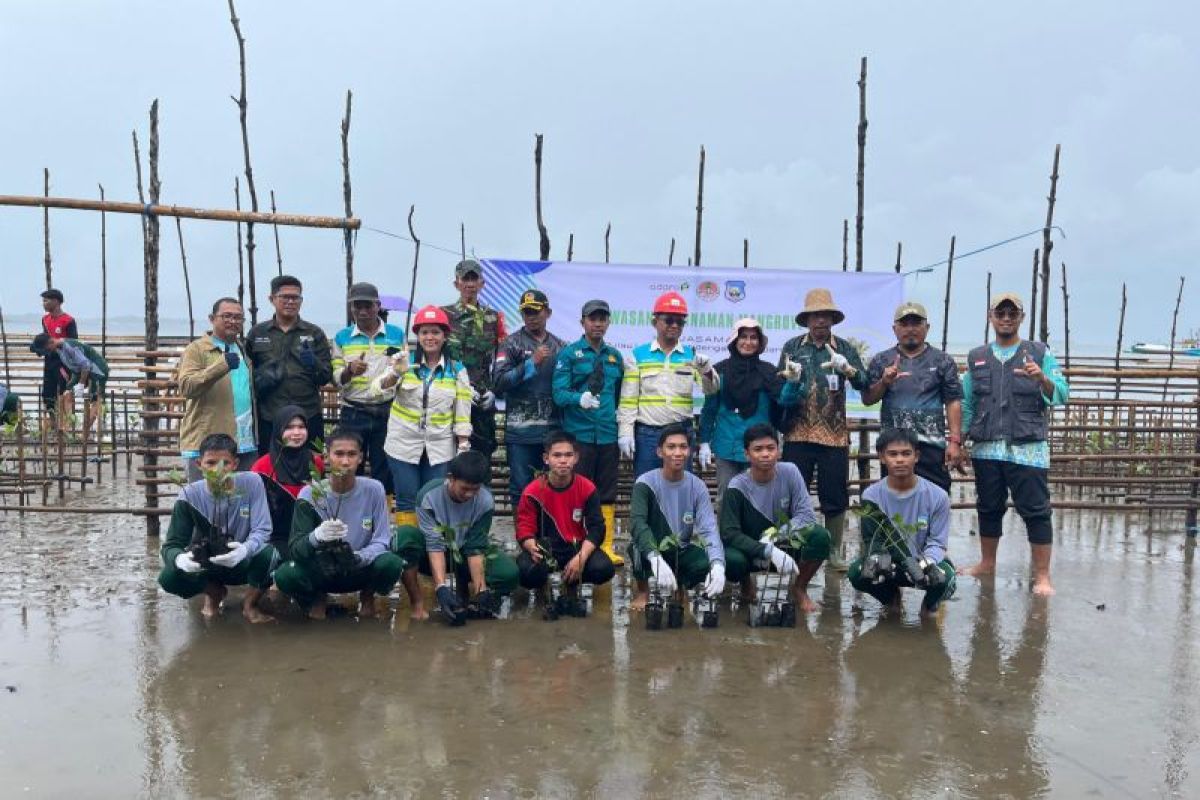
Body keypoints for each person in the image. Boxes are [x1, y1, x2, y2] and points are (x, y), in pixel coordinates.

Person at [960, 293, 1069, 596]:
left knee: (1036, 511)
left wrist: (1041, 380)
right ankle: (987, 562)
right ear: (990, 316)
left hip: (1028, 450)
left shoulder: (1039, 353)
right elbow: (968, 403)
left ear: (1022, 317)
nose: (1006, 318)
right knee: (988, 508)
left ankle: (1043, 576)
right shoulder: (977, 357)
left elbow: (1061, 393)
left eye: (1012, 313)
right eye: (1000, 313)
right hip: (986, 449)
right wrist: (958, 441)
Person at [776, 288, 869, 570]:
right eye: (815, 316)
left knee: (835, 495)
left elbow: (864, 383)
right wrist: (790, 380)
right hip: (797, 432)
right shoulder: (792, 348)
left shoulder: (845, 348)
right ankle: (794, 548)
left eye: (825, 315)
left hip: (834, 435)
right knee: (793, 492)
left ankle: (833, 552)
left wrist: (848, 370)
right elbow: (779, 389)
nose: (820, 321)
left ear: (832, 319)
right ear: (807, 319)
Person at [273, 428, 404, 620]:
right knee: (286, 574)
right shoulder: (310, 494)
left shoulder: (374, 489)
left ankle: (367, 596)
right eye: (339, 454)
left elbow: (383, 540)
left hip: (359, 567)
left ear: (361, 458)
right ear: (326, 457)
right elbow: (295, 548)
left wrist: (361, 556)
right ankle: (317, 597)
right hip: (322, 570)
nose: (345, 461)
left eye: (351, 454)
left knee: (391, 563)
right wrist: (316, 537)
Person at [156, 433, 276, 623]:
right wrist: (180, 559)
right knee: (169, 578)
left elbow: (263, 530)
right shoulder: (189, 495)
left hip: (241, 561)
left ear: (235, 464)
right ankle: (214, 593)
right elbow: (171, 545)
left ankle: (250, 604)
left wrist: (244, 550)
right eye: (210, 463)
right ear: (199, 465)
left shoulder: (252, 482)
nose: (217, 470)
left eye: (225, 463)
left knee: (271, 555)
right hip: (207, 562)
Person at [390, 451, 520, 624]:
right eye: (464, 488)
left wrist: (481, 590)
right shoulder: (429, 495)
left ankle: (472, 602)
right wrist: (441, 587)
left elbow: (476, 546)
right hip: (432, 555)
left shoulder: (486, 501)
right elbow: (434, 543)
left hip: (465, 552)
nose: (469, 495)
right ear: (451, 478)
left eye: (475, 490)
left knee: (508, 573)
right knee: (405, 536)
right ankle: (418, 604)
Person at [374, 305, 473, 526]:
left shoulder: (457, 370)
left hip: (440, 448)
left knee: (433, 499)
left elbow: (462, 411)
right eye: (424, 332)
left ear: (445, 336)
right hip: (402, 445)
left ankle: (432, 553)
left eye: (435, 332)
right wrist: (395, 373)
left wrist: (463, 443)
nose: (430, 337)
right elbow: (378, 389)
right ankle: (410, 553)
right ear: (417, 336)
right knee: (407, 500)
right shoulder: (403, 363)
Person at [719, 423, 830, 613]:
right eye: (758, 449)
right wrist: (764, 549)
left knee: (820, 537)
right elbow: (729, 533)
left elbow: (806, 515)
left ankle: (799, 588)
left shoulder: (790, 472)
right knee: (732, 560)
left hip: (784, 544)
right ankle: (746, 582)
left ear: (779, 451)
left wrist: (776, 537)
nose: (765, 454)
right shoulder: (736, 487)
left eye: (771, 448)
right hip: (751, 548)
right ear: (747, 454)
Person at [848, 429, 956, 617]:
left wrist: (926, 563)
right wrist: (879, 559)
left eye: (906, 453)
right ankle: (890, 599)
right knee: (856, 573)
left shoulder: (938, 496)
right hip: (889, 564)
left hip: (923, 562)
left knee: (946, 578)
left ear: (917, 456)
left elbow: (938, 542)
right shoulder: (871, 496)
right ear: (882, 457)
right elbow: (872, 540)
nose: (900, 460)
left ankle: (929, 606)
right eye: (893, 454)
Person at [861, 301, 964, 494]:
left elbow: (953, 401)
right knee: (894, 501)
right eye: (904, 324)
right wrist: (884, 382)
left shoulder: (943, 360)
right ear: (894, 329)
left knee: (936, 497)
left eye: (916, 323)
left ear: (927, 327)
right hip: (895, 449)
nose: (910, 329)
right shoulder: (881, 360)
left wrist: (954, 441)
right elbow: (867, 398)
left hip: (931, 445)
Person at [552, 299, 626, 565]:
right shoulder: (570, 354)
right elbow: (558, 394)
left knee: (606, 491)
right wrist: (578, 398)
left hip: (607, 434)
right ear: (582, 321)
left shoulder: (615, 357)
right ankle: (575, 543)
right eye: (592, 318)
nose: (598, 323)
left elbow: (619, 397)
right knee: (578, 491)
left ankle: (605, 546)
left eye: (602, 318)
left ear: (608, 322)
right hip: (579, 435)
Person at [617, 291, 720, 478]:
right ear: (654, 321)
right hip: (648, 435)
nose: (674, 325)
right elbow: (628, 400)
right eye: (669, 320)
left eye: (680, 322)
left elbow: (711, 390)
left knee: (680, 488)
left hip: (681, 434)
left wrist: (706, 370)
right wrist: (625, 432)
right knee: (647, 487)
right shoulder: (637, 355)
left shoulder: (691, 355)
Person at [699, 317, 801, 501]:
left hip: (761, 448)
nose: (748, 342)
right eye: (743, 336)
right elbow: (710, 408)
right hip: (726, 447)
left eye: (753, 337)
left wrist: (793, 382)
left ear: (760, 343)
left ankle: (761, 532)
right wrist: (704, 441)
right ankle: (727, 531)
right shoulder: (718, 371)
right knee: (727, 498)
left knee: (761, 499)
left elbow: (785, 401)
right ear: (734, 340)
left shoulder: (769, 372)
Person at [627, 424, 726, 610]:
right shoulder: (645, 483)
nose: (678, 452)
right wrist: (655, 557)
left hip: (681, 548)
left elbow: (709, 529)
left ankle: (680, 585)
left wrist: (718, 565)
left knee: (707, 562)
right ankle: (642, 591)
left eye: (683, 447)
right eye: (671, 447)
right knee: (637, 547)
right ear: (659, 452)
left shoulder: (697, 486)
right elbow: (637, 523)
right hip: (653, 546)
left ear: (689, 451)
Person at [514, 431, 616, 602]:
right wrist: (532, 546)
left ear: (576, 458)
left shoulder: (587, 488)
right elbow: (524, 527)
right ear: (546, 458)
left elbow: (597, 528)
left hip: (575, 548)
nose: (563, 460)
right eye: (557, 455)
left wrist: (581, 557)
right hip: (545, 550)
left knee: (603, 569)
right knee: (526, 572)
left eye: (568, 455)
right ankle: (542, 587)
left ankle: (572, 584)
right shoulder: (532, 491)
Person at [493, 289, 566, 511]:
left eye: (536, 311)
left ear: (548, 312)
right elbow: (498, 384)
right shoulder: (510, 344)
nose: (531, 316)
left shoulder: (561, 347)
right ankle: (525, 542)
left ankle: (552, 541)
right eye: (526, 312)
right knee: (521, 489)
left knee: (554, 488)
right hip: (521, 434)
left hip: (553, 432)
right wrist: (530, 364)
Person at [330, 282, 406, 493]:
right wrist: (349, 371)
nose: (362, 311)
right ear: (351, 308)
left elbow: (403, 369)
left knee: (386, 469)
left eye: (367, 306)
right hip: (354, 412)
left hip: (387, 410)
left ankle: (381, 517)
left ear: (378, 306)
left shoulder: (397, 334)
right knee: (349, 468)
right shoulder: (341, 337)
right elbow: (337, 378)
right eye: (357, 306)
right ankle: (348, 517)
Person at [247, 274, 333, 455]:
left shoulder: (314, 332)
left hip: (307, 413)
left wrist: (314, 363)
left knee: (312, 467)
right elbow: (246, 374)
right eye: (285, 297)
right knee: (269, 467)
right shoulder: (257, 333)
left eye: (295, 297)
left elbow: (326, 376)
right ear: (272, 299)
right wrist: (261, 378)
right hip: (270, 415)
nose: (290, 302)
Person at [175, 298, 258, 481]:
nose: (233, 321)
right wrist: (220, 366)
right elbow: (187, 387)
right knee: (205, 501)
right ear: (212, 318)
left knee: (240, 502)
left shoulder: (243, 349)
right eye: (226, 316)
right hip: (207, 445)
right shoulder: (197, 349)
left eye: (238, 317)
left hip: (244, 443)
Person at [442, 258, 507, 457]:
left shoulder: (494, 318)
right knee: (448, 455)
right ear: (457, 283)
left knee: (481, 455)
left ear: (482, 283)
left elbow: (502, 359)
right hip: (449, 397)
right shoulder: (443, 315)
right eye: (465, 279)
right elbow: (436, 356)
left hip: (481, 398)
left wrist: (494, 390)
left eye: (474, 279)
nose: (470, 284)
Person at [251, 405, 325, 550]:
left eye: (301, 426)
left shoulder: (316, 463)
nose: (296, 433)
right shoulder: (262, 467)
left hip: (310, 538)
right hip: (274, 539)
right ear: (278, 429)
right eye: (289, 427)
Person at [30, 332, 109, 431]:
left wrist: (81, 383)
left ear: (51, 342)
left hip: (97, 371)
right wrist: (72, 382)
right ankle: (67, 428)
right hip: (80, 372)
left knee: (95, 401)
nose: (48, 352)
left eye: (48, 349)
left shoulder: (69, 347)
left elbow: (85, 365)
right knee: (66, 394)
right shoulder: (58, 349)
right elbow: (75, 367)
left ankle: (84, 433)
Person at [39, 288, 77, 412]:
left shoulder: (68, 320)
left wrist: (59, 345)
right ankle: (53, 424)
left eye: (46, 301)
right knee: (48, 394)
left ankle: (66, 425)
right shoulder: (45, 320)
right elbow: (44, 340)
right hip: (49, 361)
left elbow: (73, 343)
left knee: (64, 392)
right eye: (43, 301)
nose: (44, 304)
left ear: (56, 301)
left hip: (63, 362)